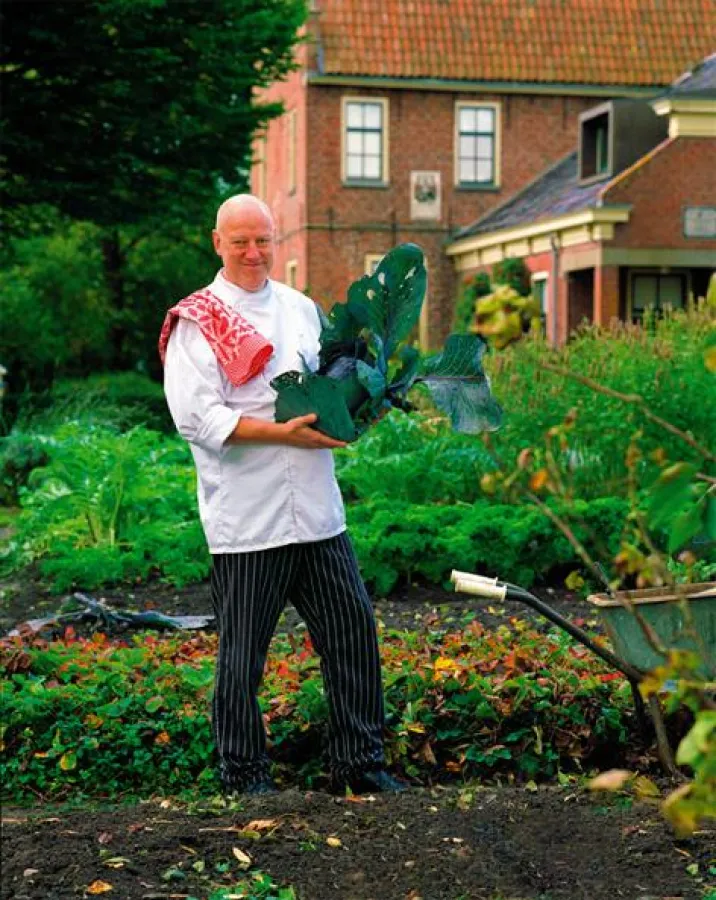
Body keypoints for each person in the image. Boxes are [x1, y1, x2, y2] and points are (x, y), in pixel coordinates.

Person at [160, 194, 405, 796]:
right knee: (243, 656)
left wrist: (361, 409)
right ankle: (243, 775)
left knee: (352, 631)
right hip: (247, 517)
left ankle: (360, 764)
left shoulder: (300, 309)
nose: (253, 252)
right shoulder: (199, 320)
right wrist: (283, 434)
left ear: (277, 240)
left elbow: (331, 388)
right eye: (240, 240)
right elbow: (197, 418)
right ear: (217, 242)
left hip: (318, 512)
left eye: (263, 240)